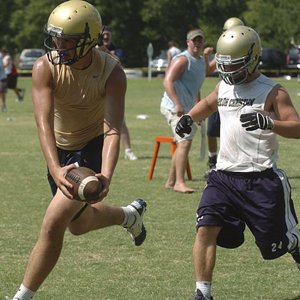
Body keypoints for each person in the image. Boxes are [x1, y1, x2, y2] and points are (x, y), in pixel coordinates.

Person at [7, 1, 147, 299]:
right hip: (59, 149)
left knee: (54, 223)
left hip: (90, 147)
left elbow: (112, 129)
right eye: (57, 38)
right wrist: (55, 167)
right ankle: (129, 216)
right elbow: (43, 123)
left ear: (90, 40)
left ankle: (22, 296)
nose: (60, 46)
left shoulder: (112, 72)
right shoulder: (45, 66)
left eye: (68, 41)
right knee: (79, 225)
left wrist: (106, 173)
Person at [175, 25, 300, 300]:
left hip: (260, 179)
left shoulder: (273, 91)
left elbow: (297, 127)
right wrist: (189, 118)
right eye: (225, 66)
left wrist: (269, 121)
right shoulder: (224, 86)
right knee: (205, 227)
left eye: (236, 66)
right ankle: (202, 293)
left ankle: (295, 244)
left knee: (278, 243)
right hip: (223, 177)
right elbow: (208, 104)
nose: (229, 72)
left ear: (254, 58)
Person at [160, 29, 207, 193]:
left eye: (200, 40)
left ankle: (171, 181)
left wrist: (199, 109)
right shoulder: (182, 59)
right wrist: (177, 103)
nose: (197, 43)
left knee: (184, 142)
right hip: (173, 107)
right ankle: (179, 183)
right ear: (188, 42)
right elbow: (167, 81)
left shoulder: (201, 62)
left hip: (188, 109)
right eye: (194, 40)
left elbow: (196, 88)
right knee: (184, 141)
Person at [203, 17, 244, 178]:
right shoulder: (222, 51)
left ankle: (236, 162)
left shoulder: (245, 49)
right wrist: (206, 58)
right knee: (212, 130)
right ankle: (213, 160)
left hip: (242, 94)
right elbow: (207, 71)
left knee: (237, 130)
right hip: (224, 93)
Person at [101, 25, 138, 161]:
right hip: (97, 89)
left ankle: (128, 150)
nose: (105, 37)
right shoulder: (93, 50)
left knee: (120, 122)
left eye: (107, 35)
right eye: (103, 35)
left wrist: (104, 50)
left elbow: (118, 61)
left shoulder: (117, 50)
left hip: (112, 90)